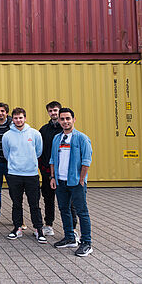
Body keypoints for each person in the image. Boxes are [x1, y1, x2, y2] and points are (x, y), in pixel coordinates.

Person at [50, 108, 93, 257]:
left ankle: (86, 243)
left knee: (82, 212)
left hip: (76, 183)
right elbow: (52, 160)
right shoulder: (57, 138)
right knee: (64, 209)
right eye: (62, 119)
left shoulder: (82, 138)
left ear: (74, 119)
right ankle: (70, 237)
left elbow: (86, 161)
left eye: (68, 118)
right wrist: (53, 177)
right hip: (60, 182)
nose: (65, 121)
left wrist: (81, 180)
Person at [2, 108, 46, 244]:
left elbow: (38, 152)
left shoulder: (35, 134)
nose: (18, 120)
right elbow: (6, 154)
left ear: (25, 118)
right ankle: (17, 228)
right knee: (16, 203)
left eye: (21, 118)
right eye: (15, 118)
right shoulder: (7, 135)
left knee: (34, 204)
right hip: (14, 174)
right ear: (12, 119)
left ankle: (39, 229)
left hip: (31, 174)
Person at [39, 101, 78, 237]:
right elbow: (40, 151)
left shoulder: (67, 130)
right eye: (50, 111)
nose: (53, 113)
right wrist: (44, 170)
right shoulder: (43, 130)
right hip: (48, 173)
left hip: (66, 174)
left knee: (69, 202)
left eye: (56, 110)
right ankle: (48, 224)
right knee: (48, 199)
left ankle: (72, 229)